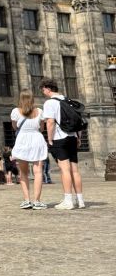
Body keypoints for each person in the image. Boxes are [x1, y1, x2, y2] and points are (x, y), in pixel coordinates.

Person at [41, 79, 86, 210]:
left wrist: (50, 139)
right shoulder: (68, 100)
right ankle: (80, 200)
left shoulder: (50, 103)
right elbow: (78, 121)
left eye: (43, 90)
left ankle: (68, 200)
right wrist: (78, 137)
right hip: (72, 137)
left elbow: (50, 122)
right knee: (75, 170)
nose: (43, 92)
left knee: (65, 170)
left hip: (60, 138)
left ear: (48, 89)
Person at [10, 90, 48, 210]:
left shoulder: (15, 111)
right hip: (37, 140)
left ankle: (27, 200)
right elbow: (42, 128)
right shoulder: (39, 111)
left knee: (23, 173)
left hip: (22, 140)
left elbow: (15, 127)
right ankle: (37, 201)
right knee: (38, 172)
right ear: (32, 99)